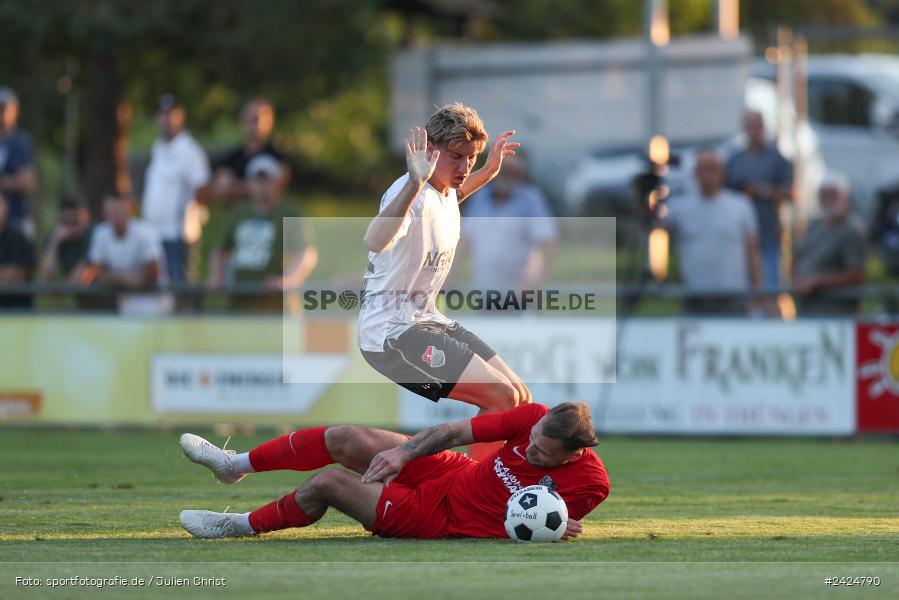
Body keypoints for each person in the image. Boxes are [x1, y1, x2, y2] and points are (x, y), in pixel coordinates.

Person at [358, 103, 530, 461]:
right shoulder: (411, 191)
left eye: (472, 157)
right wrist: (414, 181)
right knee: (499, 396)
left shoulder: (445, 189)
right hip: (391, 333)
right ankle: (479, 488)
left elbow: (452, 197)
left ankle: (493, 480)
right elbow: (374, 240)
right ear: (431, 150)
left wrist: (488, 171)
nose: (465, 167)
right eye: (457, 157)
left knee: (518, 396)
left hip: (425, 319)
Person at [178, 402, 610, 541]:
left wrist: (557, 529)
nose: (529, 448)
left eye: (540, 452)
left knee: (328, 483)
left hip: (439, 517)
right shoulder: (533, 417)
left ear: (570, 455)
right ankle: (233, 465)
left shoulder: (591, 484)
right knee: (347, 437)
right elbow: (453, 431)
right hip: (454, 472)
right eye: (531, 438)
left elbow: (540, 525)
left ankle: (237, 525)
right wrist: (403, 455)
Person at [208, 154, 317, 311]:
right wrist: (216, 276)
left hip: (276, 305)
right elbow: (221, 250)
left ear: (277, 182)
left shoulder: (288, 212)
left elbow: (305, 254)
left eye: (267, 179)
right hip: (239, 301)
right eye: (257, 179)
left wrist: (287, 280)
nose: (262, 185)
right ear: (248, 182)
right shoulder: (238, 212)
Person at [662, 148, 762, 315]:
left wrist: (758, 292)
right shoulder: (678, 208)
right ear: (695, 173)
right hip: (694, 298)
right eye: (703, 169)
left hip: (733, 299)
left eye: (712, 169)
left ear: (722, 172)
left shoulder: (741, 205)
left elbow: (752, 251)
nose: (707, 175)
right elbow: (654, 229)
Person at [461, 153, 558, 293]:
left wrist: (536, 277)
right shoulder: (479, 197)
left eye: (512, 172)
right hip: (485, 292)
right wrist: (448, 277)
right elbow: (465, 240)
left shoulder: (530, 199)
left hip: (520, 293)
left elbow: (547, 241)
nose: (506, 176)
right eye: (503, 170)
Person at [141, 95, 211, 285]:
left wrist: (188, 216)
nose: (167, 119)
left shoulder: (190, 150)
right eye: (163, 114)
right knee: (159, 285)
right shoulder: (158, 147)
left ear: (181, 116)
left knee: (180, 284)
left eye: (172, 114)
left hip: (178, 234)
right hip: (155, 231)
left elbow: (202, 188)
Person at [725, 110, 793, 289]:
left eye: (755, 126)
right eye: (749, 126)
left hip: (766, 232)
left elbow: (789, 192)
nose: (752, 131)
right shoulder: (734, 160)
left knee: (767, 285)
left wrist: (761, 191)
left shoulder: (776, 159)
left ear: (763, 127)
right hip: (738, 236)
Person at [792, 174, 866, 316]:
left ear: (844, 197)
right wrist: (797, 278)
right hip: (807, 309)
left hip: (836, 313)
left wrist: (817, 281)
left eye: (832, 195)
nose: (827, 200)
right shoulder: (815, 225)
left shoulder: (852, 230)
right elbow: (798, 256)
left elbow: (857, 276)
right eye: (823, 195)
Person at [77, 194, 163, 295]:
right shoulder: (100, 233)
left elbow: (153, 275)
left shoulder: (147, 232)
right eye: (111, 210)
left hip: (152, 297)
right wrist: (123, 278)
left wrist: (110, 276)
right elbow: (95, 272)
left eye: (119, 210)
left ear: (129, 209)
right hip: (121, 298)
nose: (115, 213)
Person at [211, 99, 291, 202]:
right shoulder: (232, 157)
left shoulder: (279, 154)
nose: (260, 125)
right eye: (254, 120)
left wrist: (236, 186)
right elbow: (220, 190)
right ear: (243, 121)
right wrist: (256, 185)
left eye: (266, 121)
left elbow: (276, 188)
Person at [0, 87, 38, 237]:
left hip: (15, 220)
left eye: (4, 108)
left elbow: (27, 182)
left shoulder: (19, 143)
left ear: (15, 111)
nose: (1, 113)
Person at [38, 196, 94, 282]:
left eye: (75, 221)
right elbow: (45, 275)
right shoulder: (55, 235)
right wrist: (55, 242)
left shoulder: (96, 234)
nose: (71, 227)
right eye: (66, 221)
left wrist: (63, 287)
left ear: (87, 216)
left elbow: (83, 276)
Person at [0, 192, 35, 309]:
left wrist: (9, 274)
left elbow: (18, 274)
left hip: (16, 310)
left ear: (5, 208)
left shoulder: (19, 237)